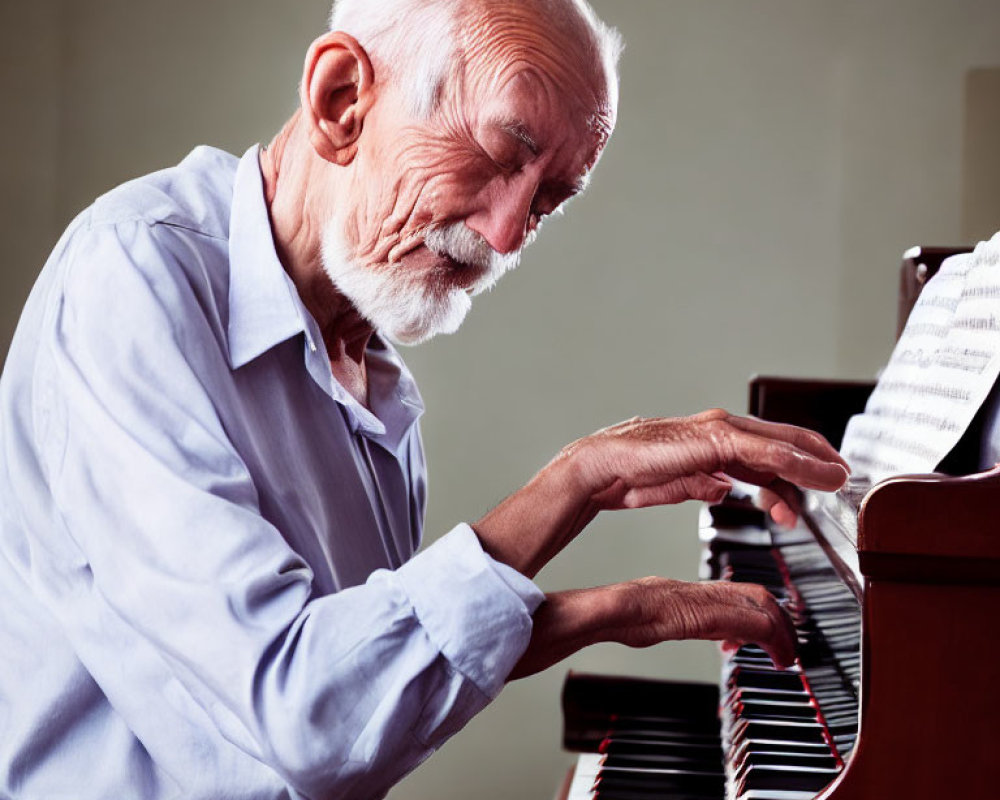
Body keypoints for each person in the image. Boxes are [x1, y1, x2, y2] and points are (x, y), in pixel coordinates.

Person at [0, 0, 849, 797]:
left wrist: (615, 612)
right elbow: (305, 718)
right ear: (341, 102)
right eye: (499, 156)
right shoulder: (134, 278)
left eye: (548, 201)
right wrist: (578, 481)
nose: (508, 235)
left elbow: (367, 671)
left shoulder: (375, 372)